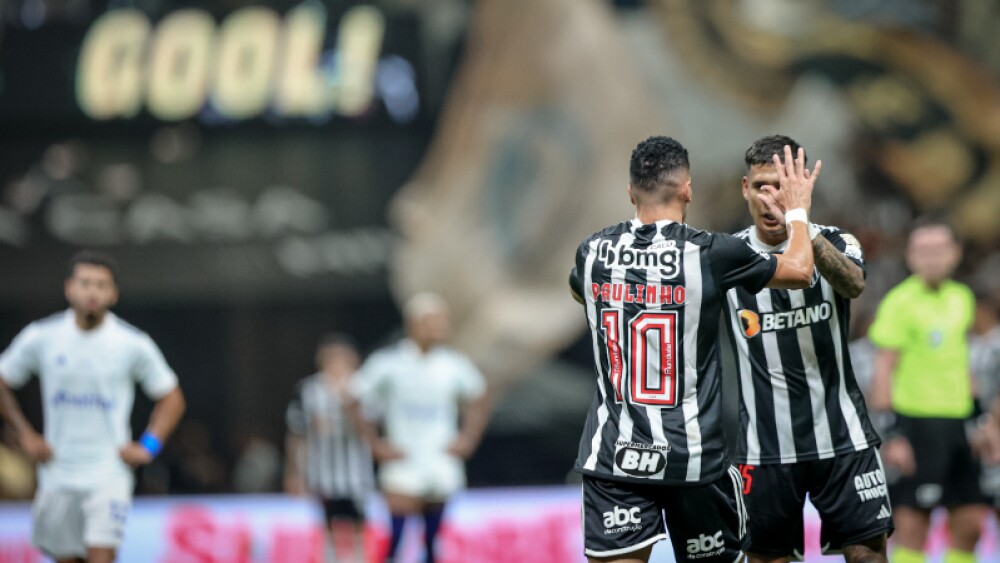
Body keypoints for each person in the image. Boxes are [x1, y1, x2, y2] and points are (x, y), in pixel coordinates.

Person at [569, 136, 819, 563]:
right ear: (688, 189)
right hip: (693, 459)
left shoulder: (592, 253)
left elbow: (583, 296)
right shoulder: (710, 252)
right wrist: (797, 210)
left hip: (617, 457)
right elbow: (799, 270)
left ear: (631, 192)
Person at [723, 135, 888, 563]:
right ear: (745, 188)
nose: (771, 196)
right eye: (762, 185)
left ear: (803, 191)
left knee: (868, 556)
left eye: (783, 186)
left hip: (843, 439)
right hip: (764, 449)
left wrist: (802, 222)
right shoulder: (726, 256)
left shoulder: (836, 240)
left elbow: (853, 284)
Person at [0, 250, 186, 563]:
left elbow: (172, 397)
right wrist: (25, 435)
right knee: (65, 558)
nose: (92, 292)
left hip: (108, 472)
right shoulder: (42, 336)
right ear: (69, 289)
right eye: (85, 283)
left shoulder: (131, 343)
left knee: (101, 555)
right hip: (58, 471)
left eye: (101, 285)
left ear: (112, 294)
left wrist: (148, 445)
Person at [868, 220, 987, 563]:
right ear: (910, 256)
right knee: (913, 524)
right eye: (923, 251)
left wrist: (979, 420)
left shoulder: (961, 298)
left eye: (938, 250)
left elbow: (963, 362)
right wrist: (891, 433)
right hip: (916, 423)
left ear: (954, 253)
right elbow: (883, 370)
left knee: (971, 522)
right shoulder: (899, 302)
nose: (931, 258)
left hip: (959, 421)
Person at [348, 293, 489, 563]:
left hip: (439, 460)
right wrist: (375, 443)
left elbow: (479, 396)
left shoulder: (452, 364)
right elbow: (354, 397)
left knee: (433, 539)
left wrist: (468, 437)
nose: (441, 328)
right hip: (403, 460)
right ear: (414, 323)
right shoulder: (390, 363)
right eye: (434, 322)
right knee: (397, 537)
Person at [285, 334, 374, 563]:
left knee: (358, 524)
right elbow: (296, 432)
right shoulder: (308, 389)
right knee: (327, 524)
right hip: (323, 473)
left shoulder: (364, 388)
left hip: (356, 474)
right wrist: (294, 471)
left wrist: (349, 401)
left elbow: (373, 431)